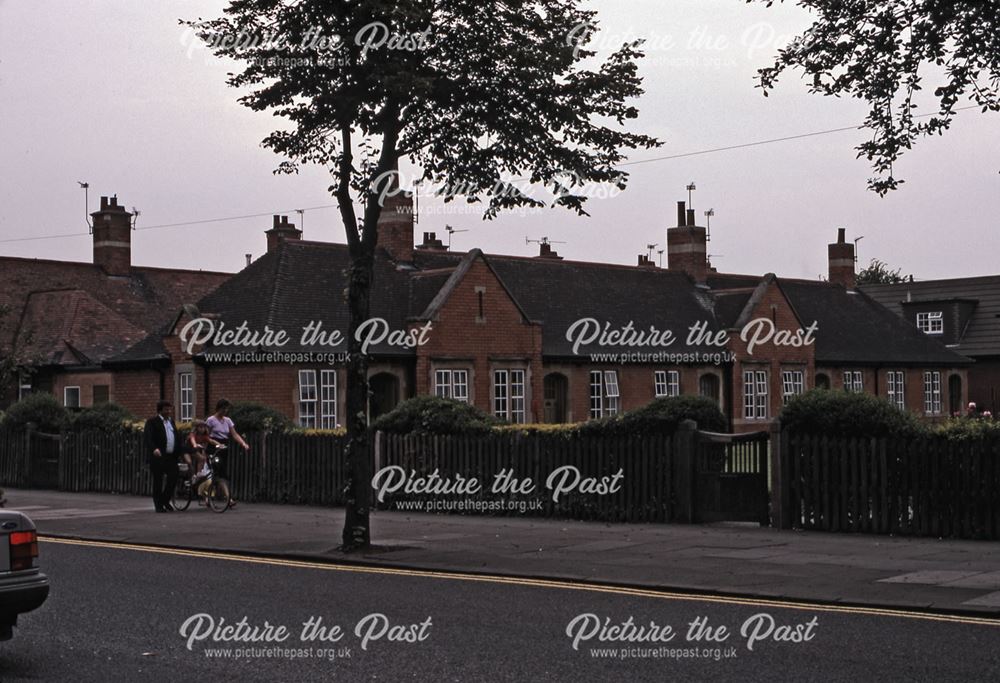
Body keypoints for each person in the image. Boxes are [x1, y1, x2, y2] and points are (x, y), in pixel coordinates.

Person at [205, 398, 250, 508]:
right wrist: (204, 449)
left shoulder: (228, 420)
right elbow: (206, 436)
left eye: (227, 409)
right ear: (218, 408)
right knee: (217, 473)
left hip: (224, 448)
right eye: (223, 409)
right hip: (213, 447)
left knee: (220, 474)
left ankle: (210, 496)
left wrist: (243, 444)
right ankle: (227, 498)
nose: (225, 411)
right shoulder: (211, 420)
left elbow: (234, 434)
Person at [143, 400, 180, 513]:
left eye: (170, 409)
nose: (169, 411)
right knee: (158, 481)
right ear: (160, 410)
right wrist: (154, 449)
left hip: (170, 456)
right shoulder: (152, 422)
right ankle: (158, 505)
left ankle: (165, 500)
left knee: (173, 477)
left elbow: (175, 437)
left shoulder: (171, 422)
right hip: (158, 456)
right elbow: (148, 438)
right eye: (166, 409)